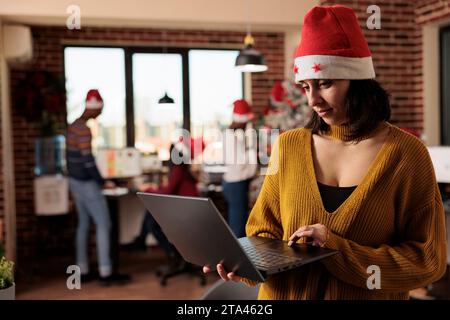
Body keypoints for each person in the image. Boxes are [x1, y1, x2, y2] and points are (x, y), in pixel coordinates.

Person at [204, 5, 447, 300]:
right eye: (306, 86)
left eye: (325, 84)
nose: (313, 100)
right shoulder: (288, 146)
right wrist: (246, 262)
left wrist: (337, 249)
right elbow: (263, 233)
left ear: (358, 81)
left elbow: (427, 261)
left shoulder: (406, 155)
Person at [67, 89, 130, 286]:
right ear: (95, 108)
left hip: (74, 182)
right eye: (100, 109)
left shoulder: (72, 127)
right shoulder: (84, 130)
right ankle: (105, 271)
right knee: (104, 224)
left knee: (83, 225)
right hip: (86, 183)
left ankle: (83, 269)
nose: (101, 114)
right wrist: (103, 182)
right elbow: (87, 160)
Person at [128, 143, 199, 268]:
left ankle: (172, 253)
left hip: (186, 211)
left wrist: (149, 189)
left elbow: (167, 192)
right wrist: (155, 188)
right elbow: (169, 189)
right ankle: (145, 241)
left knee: (152, 223)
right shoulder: (183, 169)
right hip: (187, 208)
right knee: (151, 214)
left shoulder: (177, 170)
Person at [222, 99, 258, 238]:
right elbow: (240, 164)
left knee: (237, 223)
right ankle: (239, 258)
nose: (246, 124)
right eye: (246, 122)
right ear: (241, 120)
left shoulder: (231, 135)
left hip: (233, 183)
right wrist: (252, 152)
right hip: (236, 184)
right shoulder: (232, 137)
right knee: (238, 229)